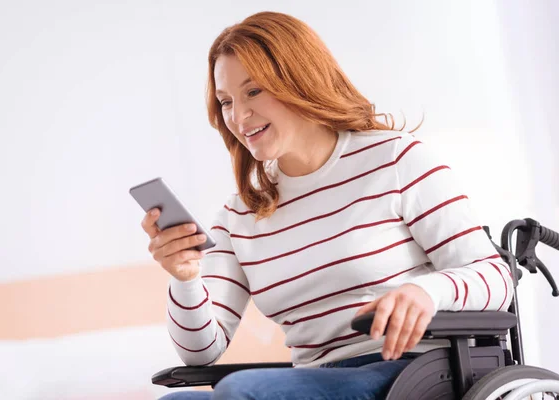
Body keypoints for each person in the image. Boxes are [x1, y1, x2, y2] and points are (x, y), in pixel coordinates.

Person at [141, 11, 513, 400]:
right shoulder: (239, 216)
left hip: (411, 373)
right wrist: (184, 278)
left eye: (253, 91)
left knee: (242, 389)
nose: (238, 116)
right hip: (316, 380)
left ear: (298, 79)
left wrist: (427, 292)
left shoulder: (395, 161)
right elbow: (201, 349)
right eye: (226, 101)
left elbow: (495, 277)